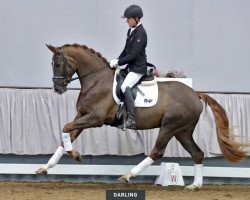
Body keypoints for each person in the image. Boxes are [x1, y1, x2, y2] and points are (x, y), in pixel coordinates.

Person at [110, 4, 148, 129]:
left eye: (128, 18)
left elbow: (134, 55)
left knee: (125, 86)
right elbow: (126, 50)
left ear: (136, 18)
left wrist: (119, 62)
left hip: (138, 68)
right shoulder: (131, 31)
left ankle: (131, 119)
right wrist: (117, 60)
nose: (126, 21)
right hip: (130, 67)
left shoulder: (141, 33)